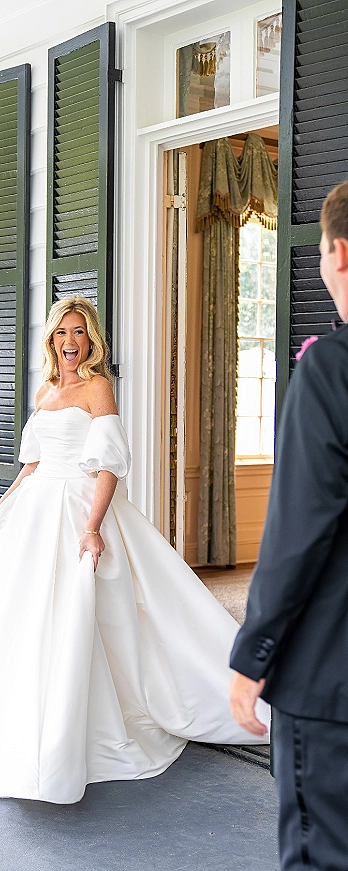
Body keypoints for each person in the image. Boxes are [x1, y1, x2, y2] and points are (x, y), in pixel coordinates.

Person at [0, 296, 269, 805]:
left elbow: (109, 464)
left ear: (92, 341)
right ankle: (17, 734)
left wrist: (92, 526)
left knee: (81, 620)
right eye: (62, 333)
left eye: (80, 333)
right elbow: (32, 463)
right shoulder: (45, 389)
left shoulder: (97, 387)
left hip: (76, 509)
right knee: (24, 622)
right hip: (34, 511)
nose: (70, 342)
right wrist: (2, 508)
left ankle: (80, 734)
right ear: (51, 340)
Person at [230, 180, 348, 870]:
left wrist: (253, 656)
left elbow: (298, 532)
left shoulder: (330, 370)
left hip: (331, 683)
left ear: (338, 255)